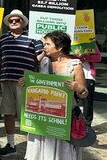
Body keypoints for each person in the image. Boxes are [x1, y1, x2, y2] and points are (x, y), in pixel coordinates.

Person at [24, 31, 88, 160]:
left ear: (59, 47)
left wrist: (77, 87)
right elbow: (38, 85)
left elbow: (84, 93)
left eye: (48, 44)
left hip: (63, 119)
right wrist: (26, 82)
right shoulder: (44, 63)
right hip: (43, 117)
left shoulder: (75, 66)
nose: (44, 47)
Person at [0, 9, 42, 156]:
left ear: (23, 22)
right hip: (6, 79)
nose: (14, 22)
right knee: (8, 113)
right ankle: (11, 145)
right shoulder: (2, 38)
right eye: (11, 20)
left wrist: (32, 76)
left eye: (17, 20)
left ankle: (32, 149)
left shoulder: (33, 37)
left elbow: (40, 56)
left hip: (24, 82)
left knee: (26, 115)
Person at [75, 41, 101, 126]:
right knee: (72, 102)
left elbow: (98, 57)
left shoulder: (91, 43)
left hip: (88, 76)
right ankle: (74, 125)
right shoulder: (68, 41)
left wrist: (84, 57)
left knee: (87, 103)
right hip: (72, 75)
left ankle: (87, 126)